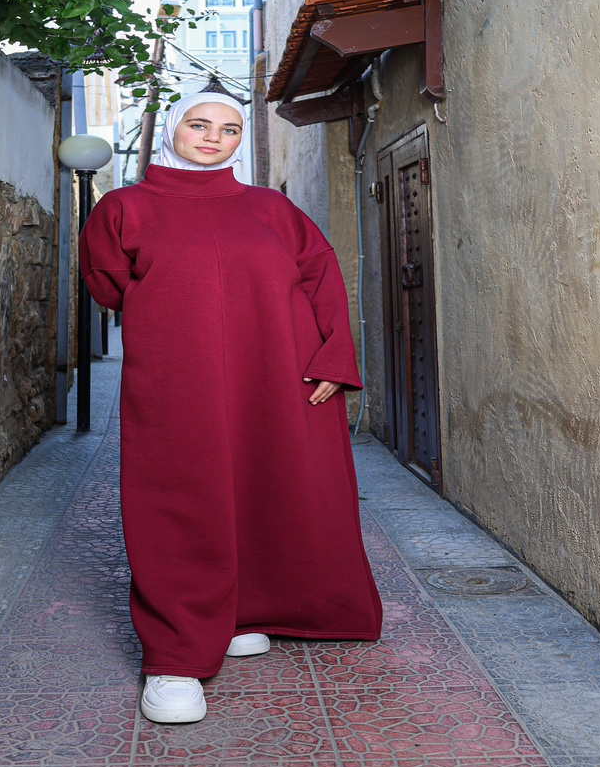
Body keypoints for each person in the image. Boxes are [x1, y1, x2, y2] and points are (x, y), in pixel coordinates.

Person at [79, 91, 382, 724]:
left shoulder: (271, 209)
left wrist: (331, 358)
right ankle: (175, 658)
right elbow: (107, 283)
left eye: (230, 128)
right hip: (174, 380)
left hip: (276, 372)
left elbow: (321, 273)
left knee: (266, 484)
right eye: (199, 124)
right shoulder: (124, 208)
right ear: (173, 129)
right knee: (179, 497)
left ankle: (244, 610)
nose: (214, 137)